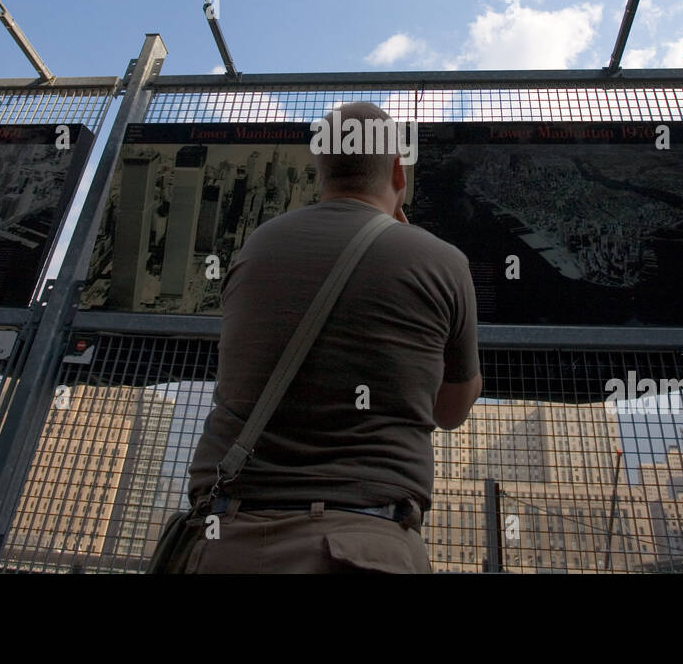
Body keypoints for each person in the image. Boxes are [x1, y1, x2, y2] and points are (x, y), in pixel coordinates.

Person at [182, 101, 481, 573]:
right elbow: (451, 411)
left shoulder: (258, 244)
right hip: (367, 543)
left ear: (320, 170)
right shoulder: (442, 260)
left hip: (228, 535)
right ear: (398, 173)